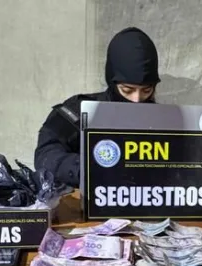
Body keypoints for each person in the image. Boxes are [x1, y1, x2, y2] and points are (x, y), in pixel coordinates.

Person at [34, 27, 160, 187]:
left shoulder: (164, 118)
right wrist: (90, 168)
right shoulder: (77, 111)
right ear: (112, 82)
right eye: (127, 90)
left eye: (146, 90)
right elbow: (46, 155)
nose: (137, 99)